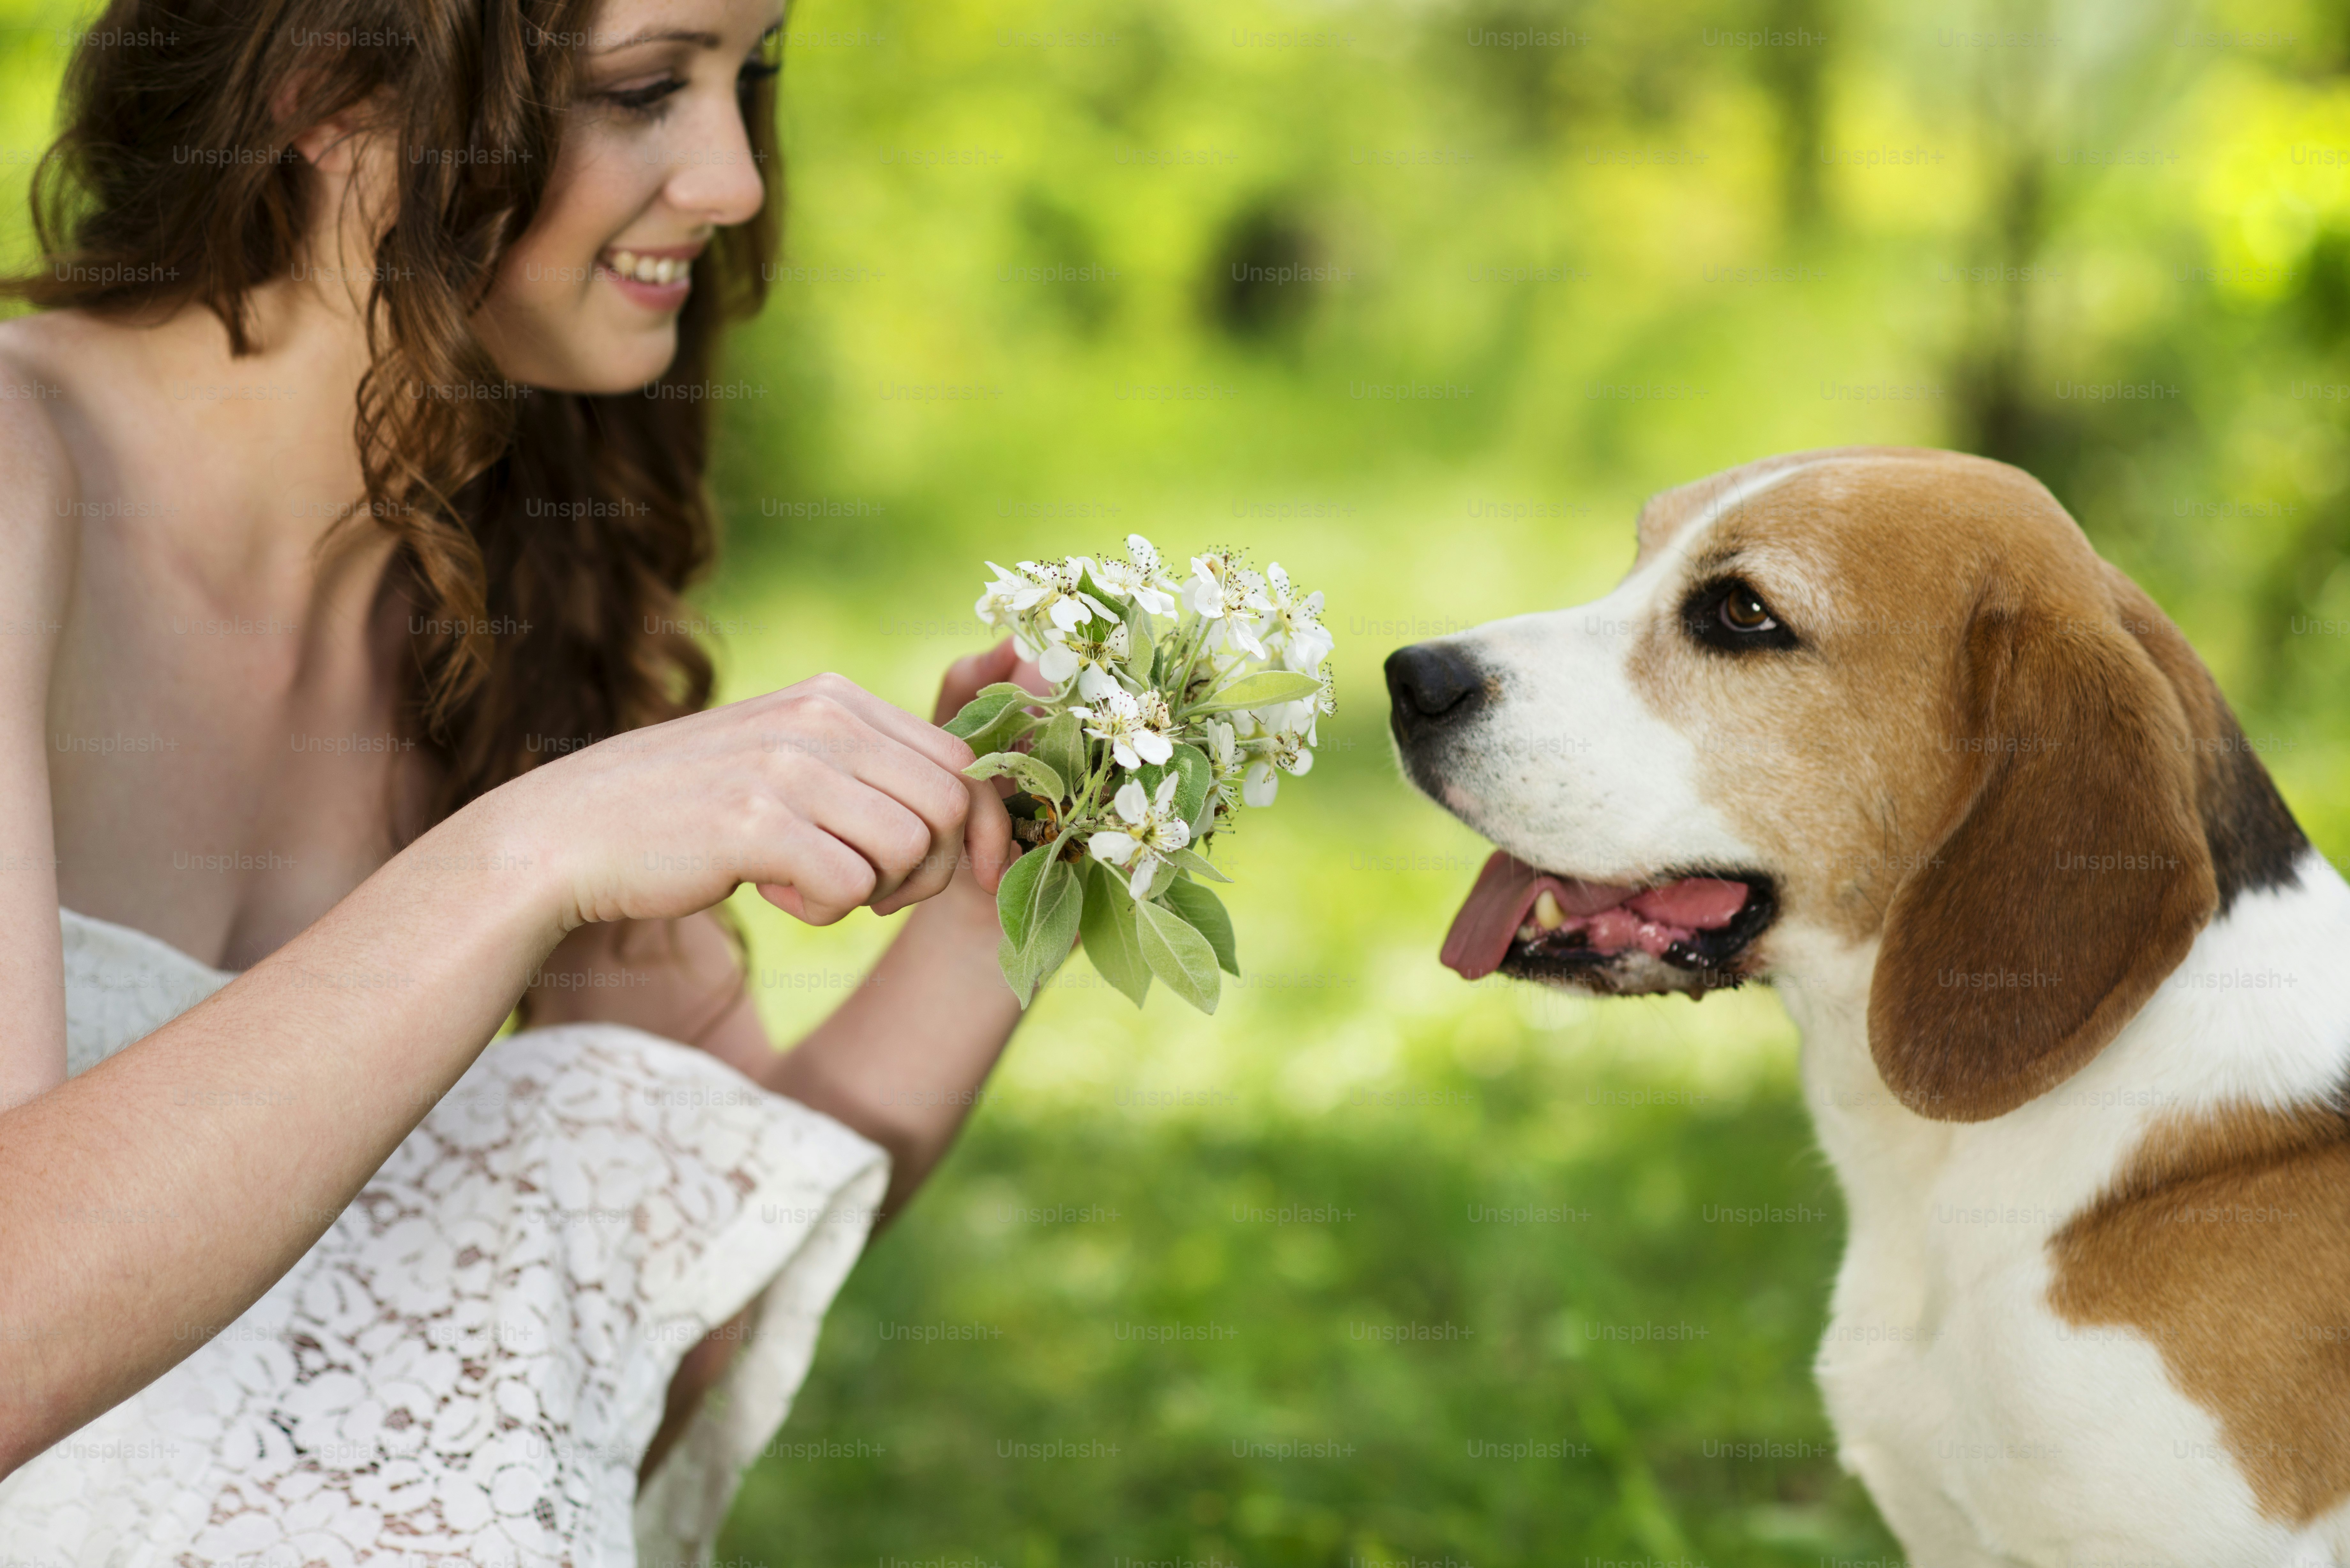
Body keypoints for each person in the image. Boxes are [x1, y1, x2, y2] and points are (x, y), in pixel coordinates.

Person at [0, 0, 1043, 1559]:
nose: (736, 179)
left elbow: (667, 1312)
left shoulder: (511, 582)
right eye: (640, 89)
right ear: (321, 89)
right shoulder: (23, 468)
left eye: (745, 77)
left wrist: (1003, 897)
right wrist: (526, 853)